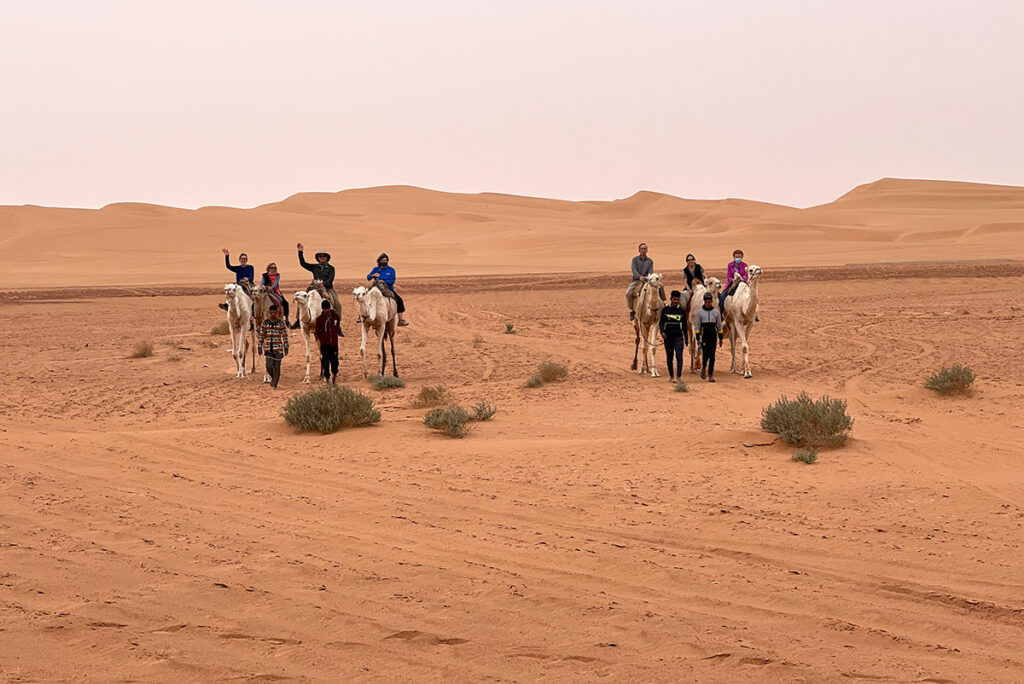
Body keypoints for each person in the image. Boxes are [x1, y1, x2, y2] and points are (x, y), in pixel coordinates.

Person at [296, 243, 341, 314]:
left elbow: (330, 279)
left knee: (338, 304)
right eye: (320, 256)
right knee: (302, 300)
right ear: (318, 258)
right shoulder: (314, 267)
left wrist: (323, 284)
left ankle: (336, 321)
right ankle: (298, 320)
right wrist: (300, 252)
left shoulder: (331, 268)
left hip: (328, 288)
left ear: (327, 258)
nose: (322, 257)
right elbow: (303, 264)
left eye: (324, 256)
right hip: (314, 288)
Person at [365, 253, 409, 326]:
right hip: (376, 287)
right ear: (379, 261)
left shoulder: (391, 270)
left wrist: (384, 281)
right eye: (382, 260)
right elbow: (368, 277)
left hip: (388, 288)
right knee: (364, 297)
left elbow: (392, 281)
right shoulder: (376, 269)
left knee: (399, 300)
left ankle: (400, 320)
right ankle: (362, 316)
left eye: (385, 260)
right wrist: (373, 275)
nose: (384, 261)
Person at [625, 243, 666, 321]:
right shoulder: (635, 260)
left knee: (661, 286)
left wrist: (647, 277)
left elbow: (650, 271)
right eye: (642, 249)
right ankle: (631, 310)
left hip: (648, 280)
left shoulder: (650, 261)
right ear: (639, 250)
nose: (643, 250)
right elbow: (634, 270)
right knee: (628, 293)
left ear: (647, 250)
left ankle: (663, 303)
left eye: (645, 248)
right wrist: (639, 277)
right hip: (637, 280)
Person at [659, 290, 688, 383]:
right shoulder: (665, 310)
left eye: (678, 300)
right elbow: (661, 323)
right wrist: (662, 332)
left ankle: (678, 377)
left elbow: (684, 326)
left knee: (679, 357)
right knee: (669, 357)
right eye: (674, 299)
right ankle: (671, 376)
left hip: (678, 337)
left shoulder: (682, 311)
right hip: (668, 338)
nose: (676, 301)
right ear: (671, 299)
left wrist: (686, 339)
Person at [258, 304, 289, 388]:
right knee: (268, 366)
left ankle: (275, 384)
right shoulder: (265, 323)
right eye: (271, 313)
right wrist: (260, 346)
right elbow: (261, 335)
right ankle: (274, 378)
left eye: (274, 313)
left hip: (278, 348)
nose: (273, 314)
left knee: (277, 366)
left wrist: (286, 347)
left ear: (277, 313)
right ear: (269, 312)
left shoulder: (281, 323)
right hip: (268, 348)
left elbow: (285, 336)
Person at [695, 292, 724, 382]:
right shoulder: (700, 313)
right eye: (706, 302)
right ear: (704, 301)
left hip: (713, 337)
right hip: (704, 337)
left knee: (712, 357)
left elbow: (719, 326)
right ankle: (703, 368)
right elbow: (697, 326)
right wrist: (697, 338)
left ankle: (710, 374)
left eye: (709, 302)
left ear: (711, 301)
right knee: (705, 355)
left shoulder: (716, 312)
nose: (707, 304)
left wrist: (721, 337)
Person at [314, 300, 341, 384]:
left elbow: (336, 327)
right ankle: (327, 379)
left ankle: (334, 377)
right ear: (322, 309)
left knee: (335, 361)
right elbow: (317, 331)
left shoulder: (336, 316)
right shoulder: (319, 319)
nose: (326, 310)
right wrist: (322, 340)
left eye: (328, 308)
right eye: (325, 309)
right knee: (325, 362)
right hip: (324, 345)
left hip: (334, 344)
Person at [260, 262, 292, 328]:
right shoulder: (265, 275)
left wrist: (271, 288)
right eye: (272, 268)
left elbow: (275, 283)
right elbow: (261, 283)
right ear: (269, 268)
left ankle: (287, 320)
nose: (273, 269)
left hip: (275, 291)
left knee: (285, 303)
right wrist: (265, 287)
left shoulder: (277, 275)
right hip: (265, 291)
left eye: (275, 268)